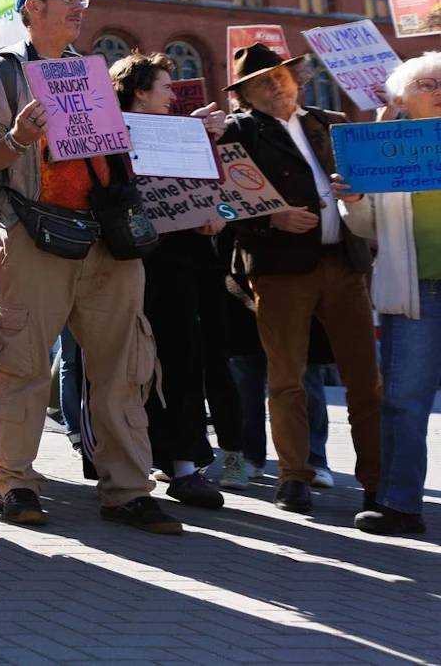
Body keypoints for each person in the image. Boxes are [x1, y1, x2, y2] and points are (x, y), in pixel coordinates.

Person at [0, 0, 179, 533]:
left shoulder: (92, 73)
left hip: (108, 241)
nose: (80, 7)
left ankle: (129, 491)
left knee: (125, 368)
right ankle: (17, 484)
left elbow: (119, 152)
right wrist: (19, 139)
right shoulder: (5, 73)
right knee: (22, 363)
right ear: (32, 8)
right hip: (37, 235)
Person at [219, 43, 382, 517]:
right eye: (262, 80)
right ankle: (293, 478)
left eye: (282, 75)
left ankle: (376, 481)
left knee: (365, 382)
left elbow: (367, 180)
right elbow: (225, 203)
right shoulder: (237, 133)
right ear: (245, 93)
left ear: (297, 76)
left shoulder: (332, 123)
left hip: (345, 264)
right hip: (279, 271)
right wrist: (273, 221)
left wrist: (360, 193)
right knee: (285, 378)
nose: (275, 84)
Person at [110, 51, 229, 510]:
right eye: (163, 87)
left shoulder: (184, 134)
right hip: (127, 261)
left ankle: (183, 466)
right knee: (126, 366)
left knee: (180, 361)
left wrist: (211, 217)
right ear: (139, 91)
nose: (170, 96)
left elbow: (208, 196)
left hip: (179, 262)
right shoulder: (112, 133)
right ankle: (126, 465)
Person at [345, 58, 441, 534]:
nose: (439, 90)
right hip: (417, 289)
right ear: (401, 100)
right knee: (405, 399)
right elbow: (366, 227)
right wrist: (356, 199)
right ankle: (401, 506)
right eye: (427, 85)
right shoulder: (386, 149)